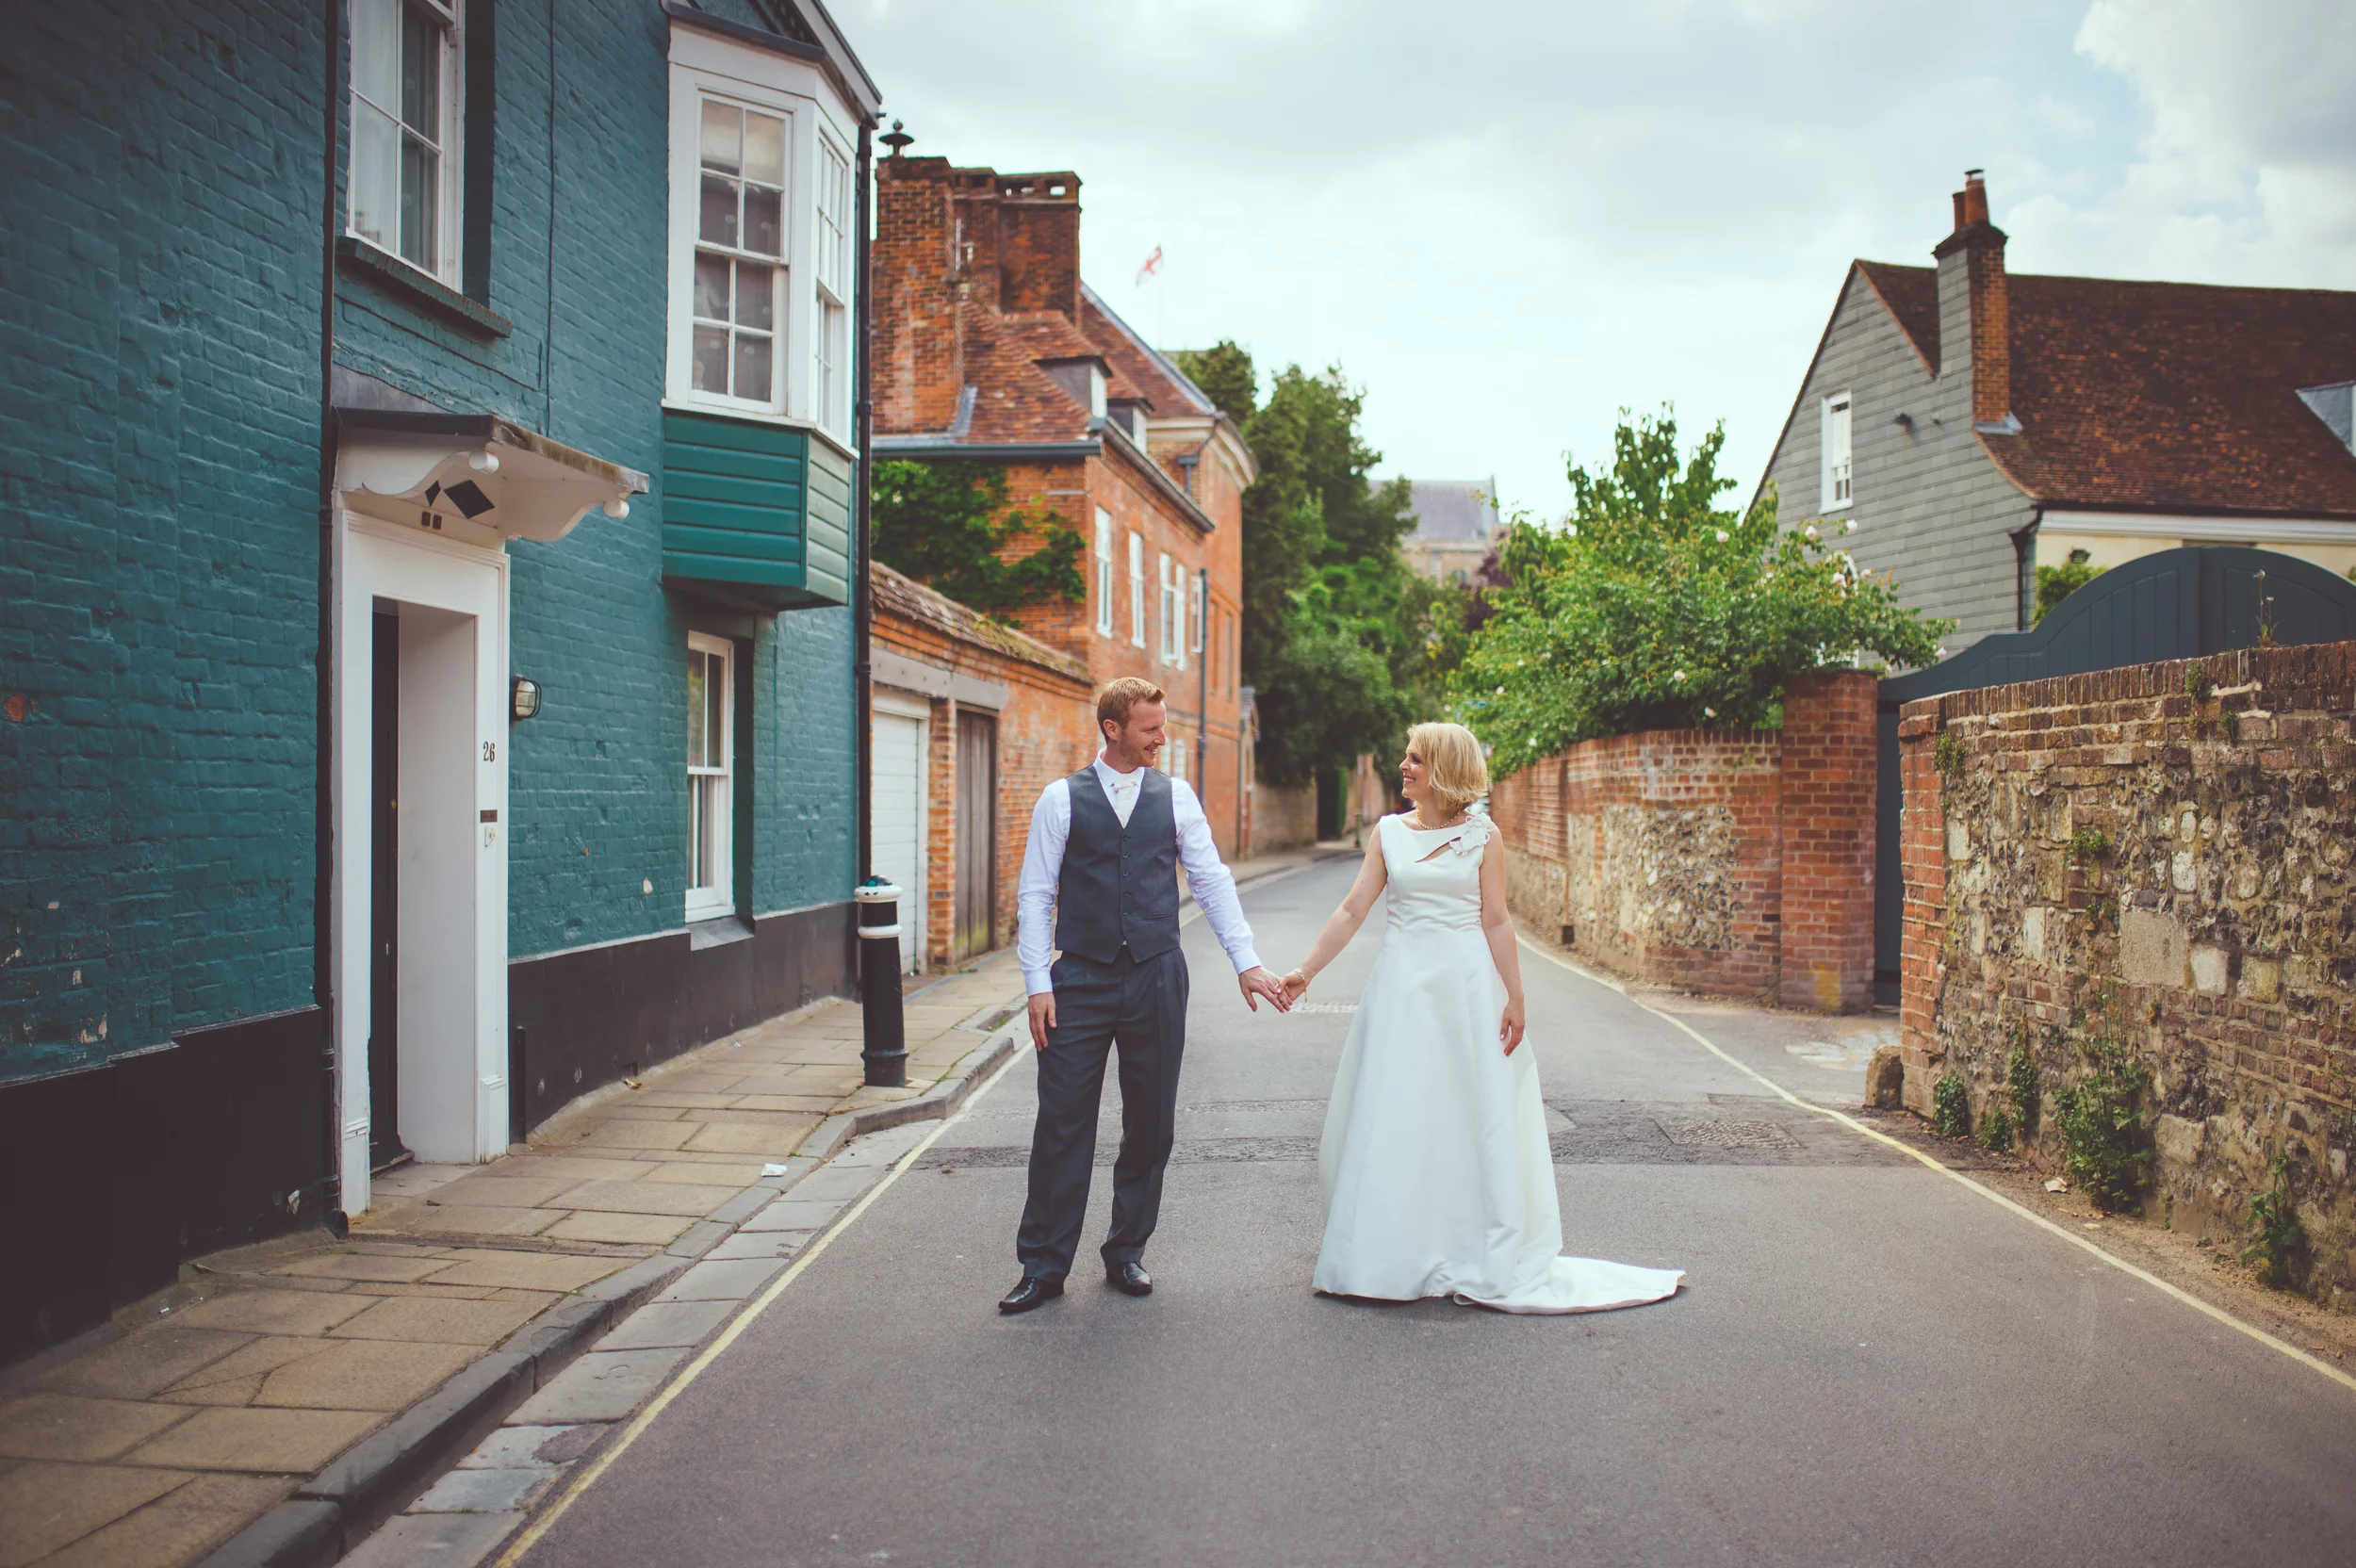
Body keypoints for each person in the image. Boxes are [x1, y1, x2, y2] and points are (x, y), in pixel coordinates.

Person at [1280, 722, 1684, 1313]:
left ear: (1442, 768)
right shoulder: (1389, 832)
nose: (1404, 766)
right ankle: (1382, 1254)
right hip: (1401, 991)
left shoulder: (1483, 836)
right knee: (1396, 1111)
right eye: (1406, 757)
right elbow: (1351, 909)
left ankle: (1468, 1246)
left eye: (1416, 759)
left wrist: (1516, 998)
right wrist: (1305, 971)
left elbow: (1496, 920)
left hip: (1466, 990)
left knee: (1466, 1114)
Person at [998, 678, 1291, 1315]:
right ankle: (1043, 1267)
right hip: (1077, 979)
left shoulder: (1177, 797)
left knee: (1151, 1124)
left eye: (1162, 727)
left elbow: (1211, 881)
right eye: (1151, 729)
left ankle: (1126, 1251)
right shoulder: (1060, 799)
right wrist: (1037, 983)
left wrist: (1247, 963)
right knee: (1061, 1125)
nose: (1163, 739)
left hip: (1158, 974)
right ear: (1113, 729)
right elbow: (1036, 895)